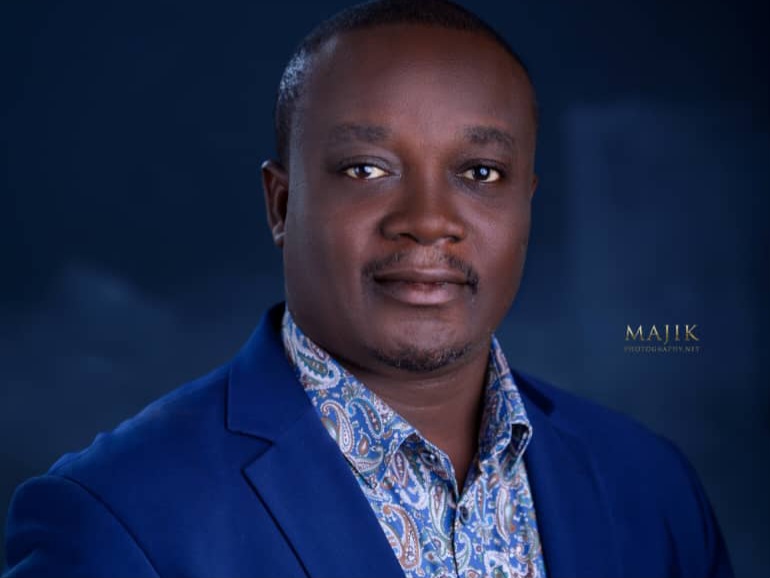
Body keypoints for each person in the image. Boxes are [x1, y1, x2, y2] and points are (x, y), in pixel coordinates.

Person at [2, 1, 733, 576]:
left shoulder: (651, 486)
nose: (428, 221)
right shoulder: (113, 518)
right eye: (366, 169)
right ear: (280, 205)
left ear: (526, 206)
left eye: (480, 173)